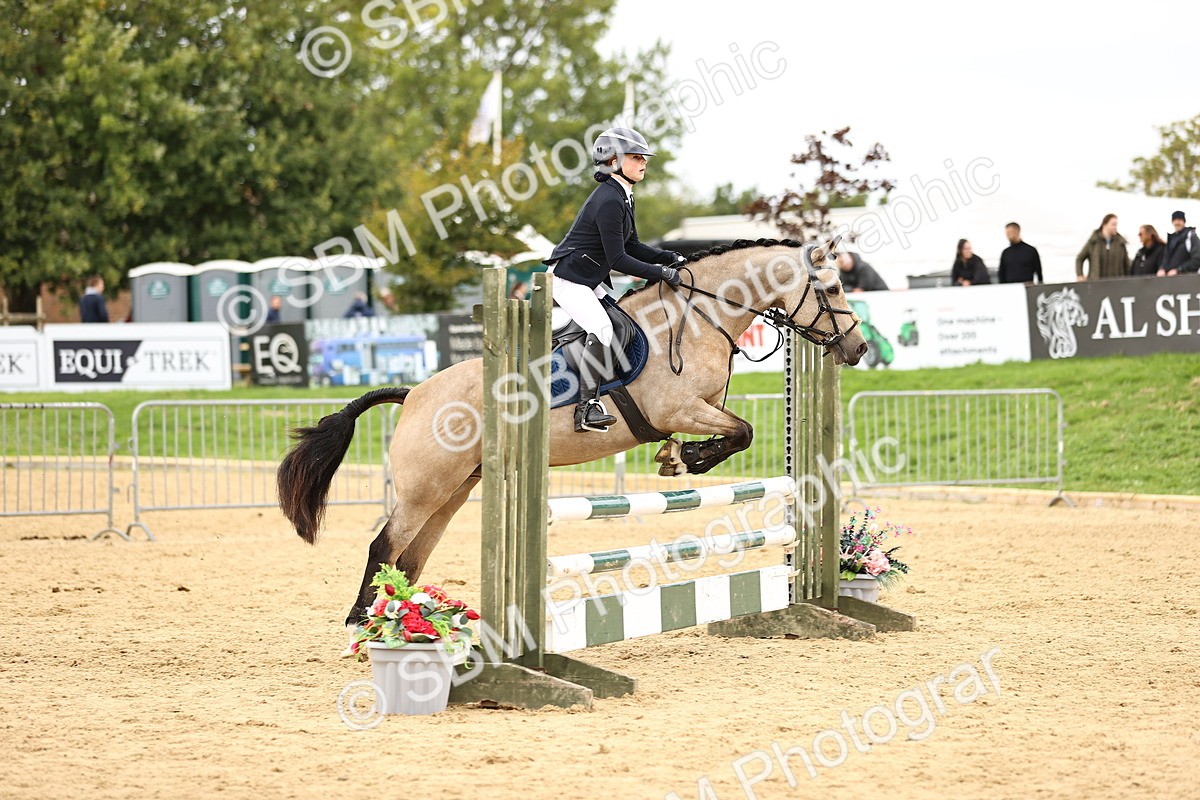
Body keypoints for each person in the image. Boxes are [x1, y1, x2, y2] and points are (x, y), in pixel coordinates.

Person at [543, 127, 684, 433]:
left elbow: (632, 245)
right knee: (602, 328)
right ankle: (585, 409)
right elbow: (619, 259)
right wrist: (662, 273)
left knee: (621, 325)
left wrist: (667, 257)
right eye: (636, 157)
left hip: (586, 277)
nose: (644, 162)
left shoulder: (622, 195)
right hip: (570, 279)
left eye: (643, 157)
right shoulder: (609, 200)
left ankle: (610, 388)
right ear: (613, 161)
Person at [1075, 213, 1129, 280]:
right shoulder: (1093, 242)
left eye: (1116, 225)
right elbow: (1080, 258)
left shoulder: (1120, 243)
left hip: (1116, 285)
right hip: (1096, 285)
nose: (1115, 227)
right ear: (1105, 225)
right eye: (1113, 225)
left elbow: (1127, 265)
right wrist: (1080, 275)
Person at [1162, 211, 1200, 276]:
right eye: (1175, 220)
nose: (1177, 222)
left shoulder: (1191, 236)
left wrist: (1179, 270)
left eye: (1179, 220)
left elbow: (1197, 259)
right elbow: (1166, 258)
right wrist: (1162, 268)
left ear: (1184, 221)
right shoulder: (1171, 239)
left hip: (1186, 279)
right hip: (1169, 279)